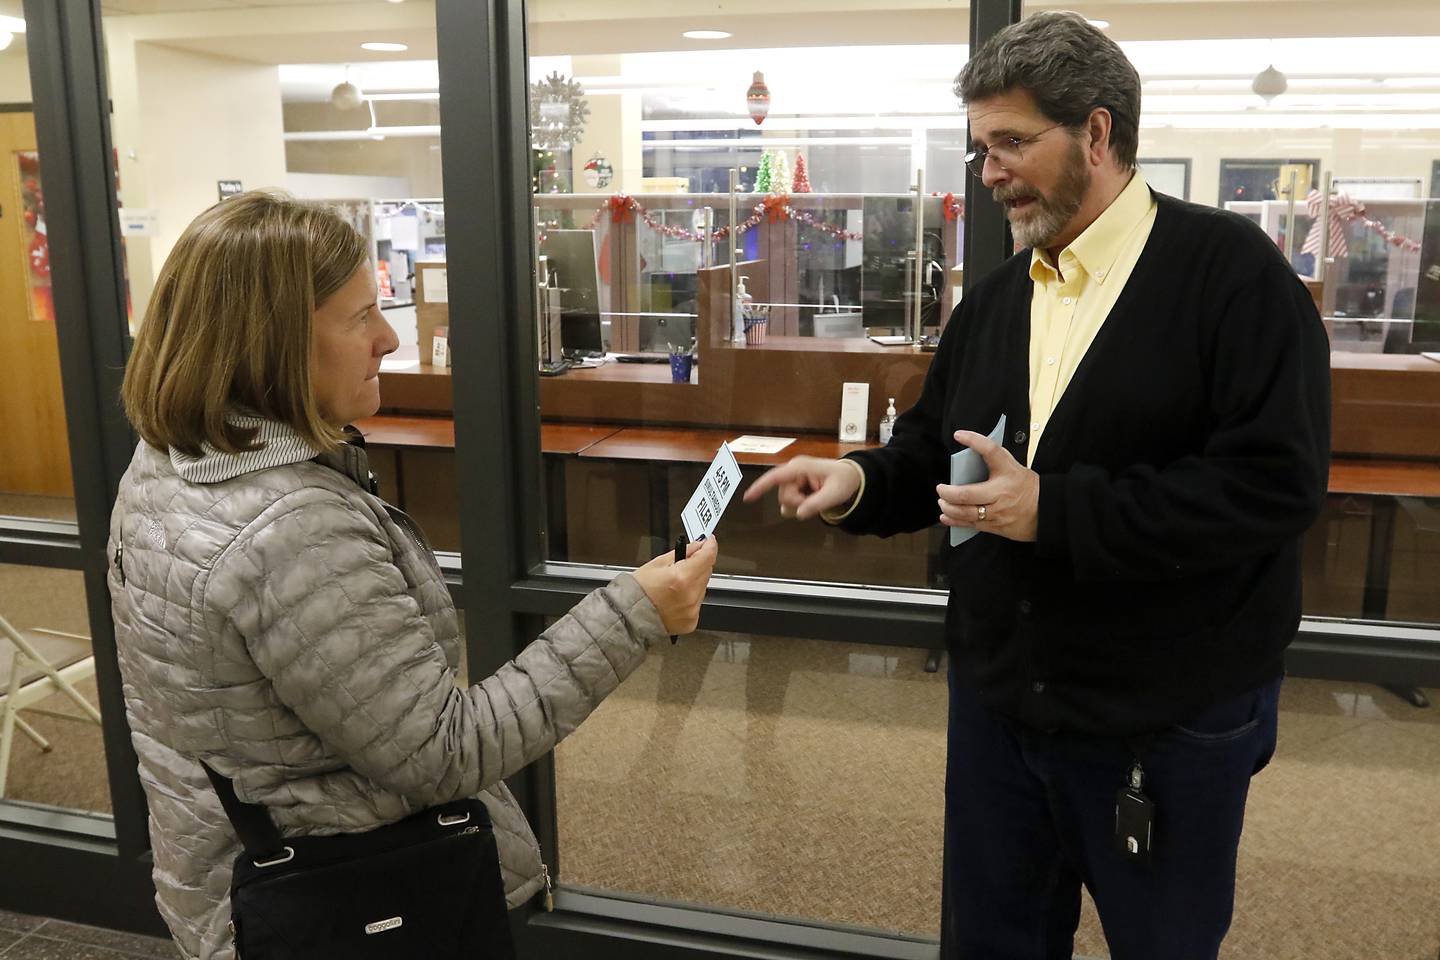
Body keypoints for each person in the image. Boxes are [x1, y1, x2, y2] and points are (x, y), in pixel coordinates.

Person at [745, 12, 1330, 959]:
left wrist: (1057, 510)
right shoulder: (1000, 298)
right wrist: (856, 478)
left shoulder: (1232, 278)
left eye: (1012, 142)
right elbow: (944, 451)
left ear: (1097, 134)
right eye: (981, 147)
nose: (988, 172)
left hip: (1163, 722)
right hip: (1002, 709)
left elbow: (1275, 487)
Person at [107, 191, 718, 960]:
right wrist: (635, 611)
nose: (389, 339)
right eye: (360, 316)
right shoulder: (290, 527)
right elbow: (444, 751)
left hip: (226, 879)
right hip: (351, 902)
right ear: (272, 343)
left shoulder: (164, 466)